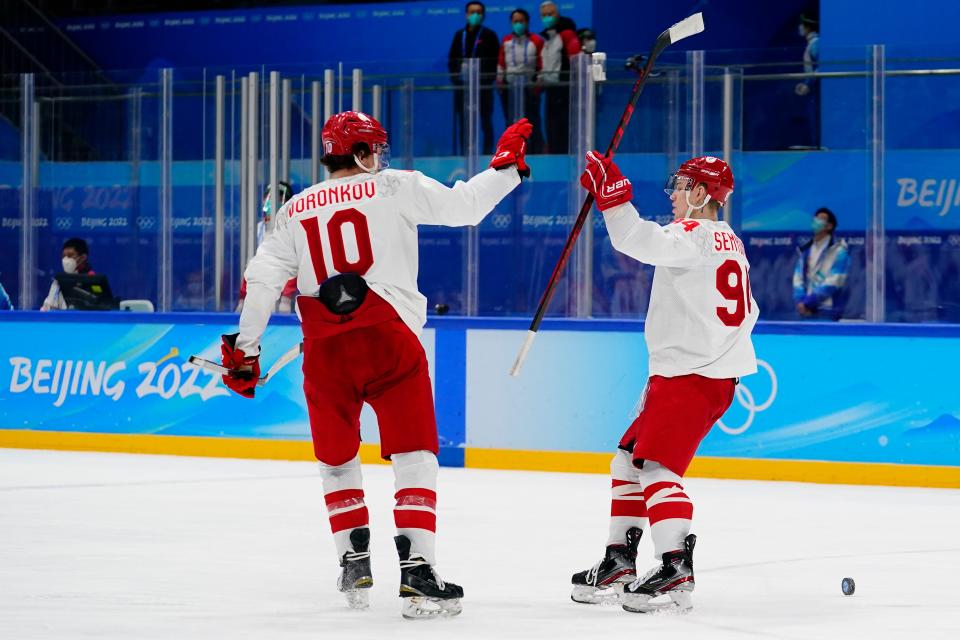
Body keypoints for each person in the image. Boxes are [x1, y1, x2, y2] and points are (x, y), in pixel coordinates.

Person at [220, 111, 531, 618]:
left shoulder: (295, 209)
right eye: (376, 150)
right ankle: (418, 573)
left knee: (337, 459)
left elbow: (261, 283)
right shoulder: (393, 186)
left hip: (325, 347)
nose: (380, 159)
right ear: (364, 152)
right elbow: (466, 207)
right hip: (389, 338)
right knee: (415, 455)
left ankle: (353, 562)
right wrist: (506, 170)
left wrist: (245, 351)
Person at [570, 153, 758, 614]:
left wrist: (612, 199)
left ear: (699, 194)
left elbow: (638, 240)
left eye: (680, 187)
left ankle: (676, 565)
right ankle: (619, 559)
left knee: (656, 466)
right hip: (694, 374)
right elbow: (748, 310)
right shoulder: (729, 240)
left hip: (691, 376)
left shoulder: (694, 235)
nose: (672, 195)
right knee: (626, 460)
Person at [447, 1, 499, 155]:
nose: (475, 15)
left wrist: (486, 80)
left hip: (483, 88)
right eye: (472, 12)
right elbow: (452, 60)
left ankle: (487, 153)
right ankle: (465, 154)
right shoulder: (459, 35)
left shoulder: (489, 35)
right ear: (466, 15)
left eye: (478, 12)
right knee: (464, 122)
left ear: (483, 16)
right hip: (463, 87)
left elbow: (494, 61)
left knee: (485, 121)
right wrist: (456, 78)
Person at [237, 181, 298, 313]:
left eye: (281, 197)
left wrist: (286, 300)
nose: (273, 202)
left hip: (285, 299)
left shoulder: (292, 229)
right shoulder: (258, 229)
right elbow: (252, 265)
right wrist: (243, 300)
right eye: (269, 197)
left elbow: (294, 267)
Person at [496, 8, 545, 153]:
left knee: (532, 122)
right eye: (515, 21)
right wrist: (500, 82)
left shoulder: (536, 40)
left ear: (527, 22)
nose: (518, 24)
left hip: (529, 88)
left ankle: (535, 151)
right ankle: (510, 151)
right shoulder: (506, 41)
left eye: (521, 21)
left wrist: (538, 84)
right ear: (511, 23)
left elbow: (541, 64)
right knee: (510, 121)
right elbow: (501, 63)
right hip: (510, 88)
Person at [538, 1, 580, 153]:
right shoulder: (547, 38)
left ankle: (565, 154)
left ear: (557, 14)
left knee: (563, 124)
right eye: (544, 15)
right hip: (551, 88)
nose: (547, 17)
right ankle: (554, 153)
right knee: (551, 125)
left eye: (550, 14)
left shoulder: (567, 34)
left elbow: (575, 61)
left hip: (565, 88)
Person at [793, 207, 849, 319]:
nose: (816, 221)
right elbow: (798, 278)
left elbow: (835, 281)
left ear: (830, 226)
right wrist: (801, 301)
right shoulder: (805, 250)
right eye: (816, 218)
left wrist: (810, 301)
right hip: (805, 311)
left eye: (821, 219)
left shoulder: (839, 251)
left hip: (827, 310)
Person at [40, 238, 94, 311]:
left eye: (70, 255)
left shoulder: (91, 279)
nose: (66, 259)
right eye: (63, 256)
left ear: (83, 257)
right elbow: (47, 307)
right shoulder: (58, 281)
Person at [794, 13, 820, 148]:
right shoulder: (811, 44)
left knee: (815, 119)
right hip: (812, 90)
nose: (800, 28)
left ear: (808, 27)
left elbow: (821, 67)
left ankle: (817, 146)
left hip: (816, 90)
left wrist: (809, 84)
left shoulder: (816, 45)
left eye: (802, 25)